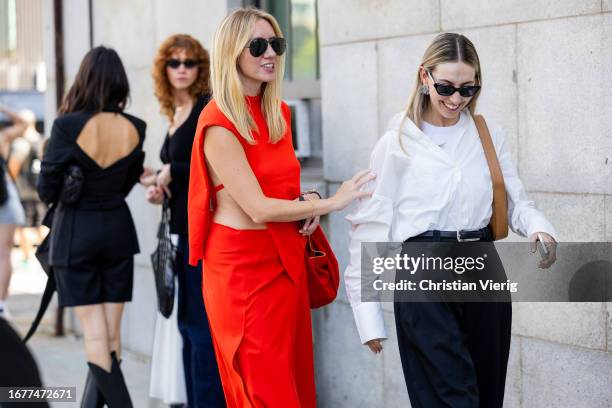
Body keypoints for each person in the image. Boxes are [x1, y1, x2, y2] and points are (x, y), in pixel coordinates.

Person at [344, 33, 558, 408]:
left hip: (482, 265)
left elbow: (516, 201)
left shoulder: (488, 135)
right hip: (423, 271)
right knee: (450, 396)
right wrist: (367, 315)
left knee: (487, 394)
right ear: (424, 77)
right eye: (446, 87)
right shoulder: (397, 141)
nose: (457, 99)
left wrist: (539, 226)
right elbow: (369, 230)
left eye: (468, 88)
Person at [188, 7, 374, 407]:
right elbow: (257, 207)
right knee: (264, 391)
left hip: (284, 266)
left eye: (276, 43)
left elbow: (278, 187)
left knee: (295, 384)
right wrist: (331, 202)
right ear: (231, 53)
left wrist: (306, 201)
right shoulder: (218, 121)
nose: (269, 52)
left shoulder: (278, 114)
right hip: (241, 274)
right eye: (257, 45)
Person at [37, 46, 147, 407]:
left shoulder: (66, 127)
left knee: (97, 340)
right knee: (111, 339)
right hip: (117, 231)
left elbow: (46, 190)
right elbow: (128, 181)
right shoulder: (136, 127)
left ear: (83, 80)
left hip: (76, 236)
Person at [145, 33, 224, 407]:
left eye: (188, 62)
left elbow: (210, 168)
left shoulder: (206, 106)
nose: (181, 69)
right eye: (173, 63)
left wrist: (170, 172)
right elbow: (181, 175)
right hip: (177, 232)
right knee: (185, 326)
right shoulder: (175, 111)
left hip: (201, 235)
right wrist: (160, 183)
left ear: (200, 67)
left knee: (200, 329)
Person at [0, 104, 27, 319]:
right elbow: (23, 123)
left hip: (5, 199)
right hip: (5, 199)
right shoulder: (2, 137)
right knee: (3, 255)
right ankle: (0, 304)